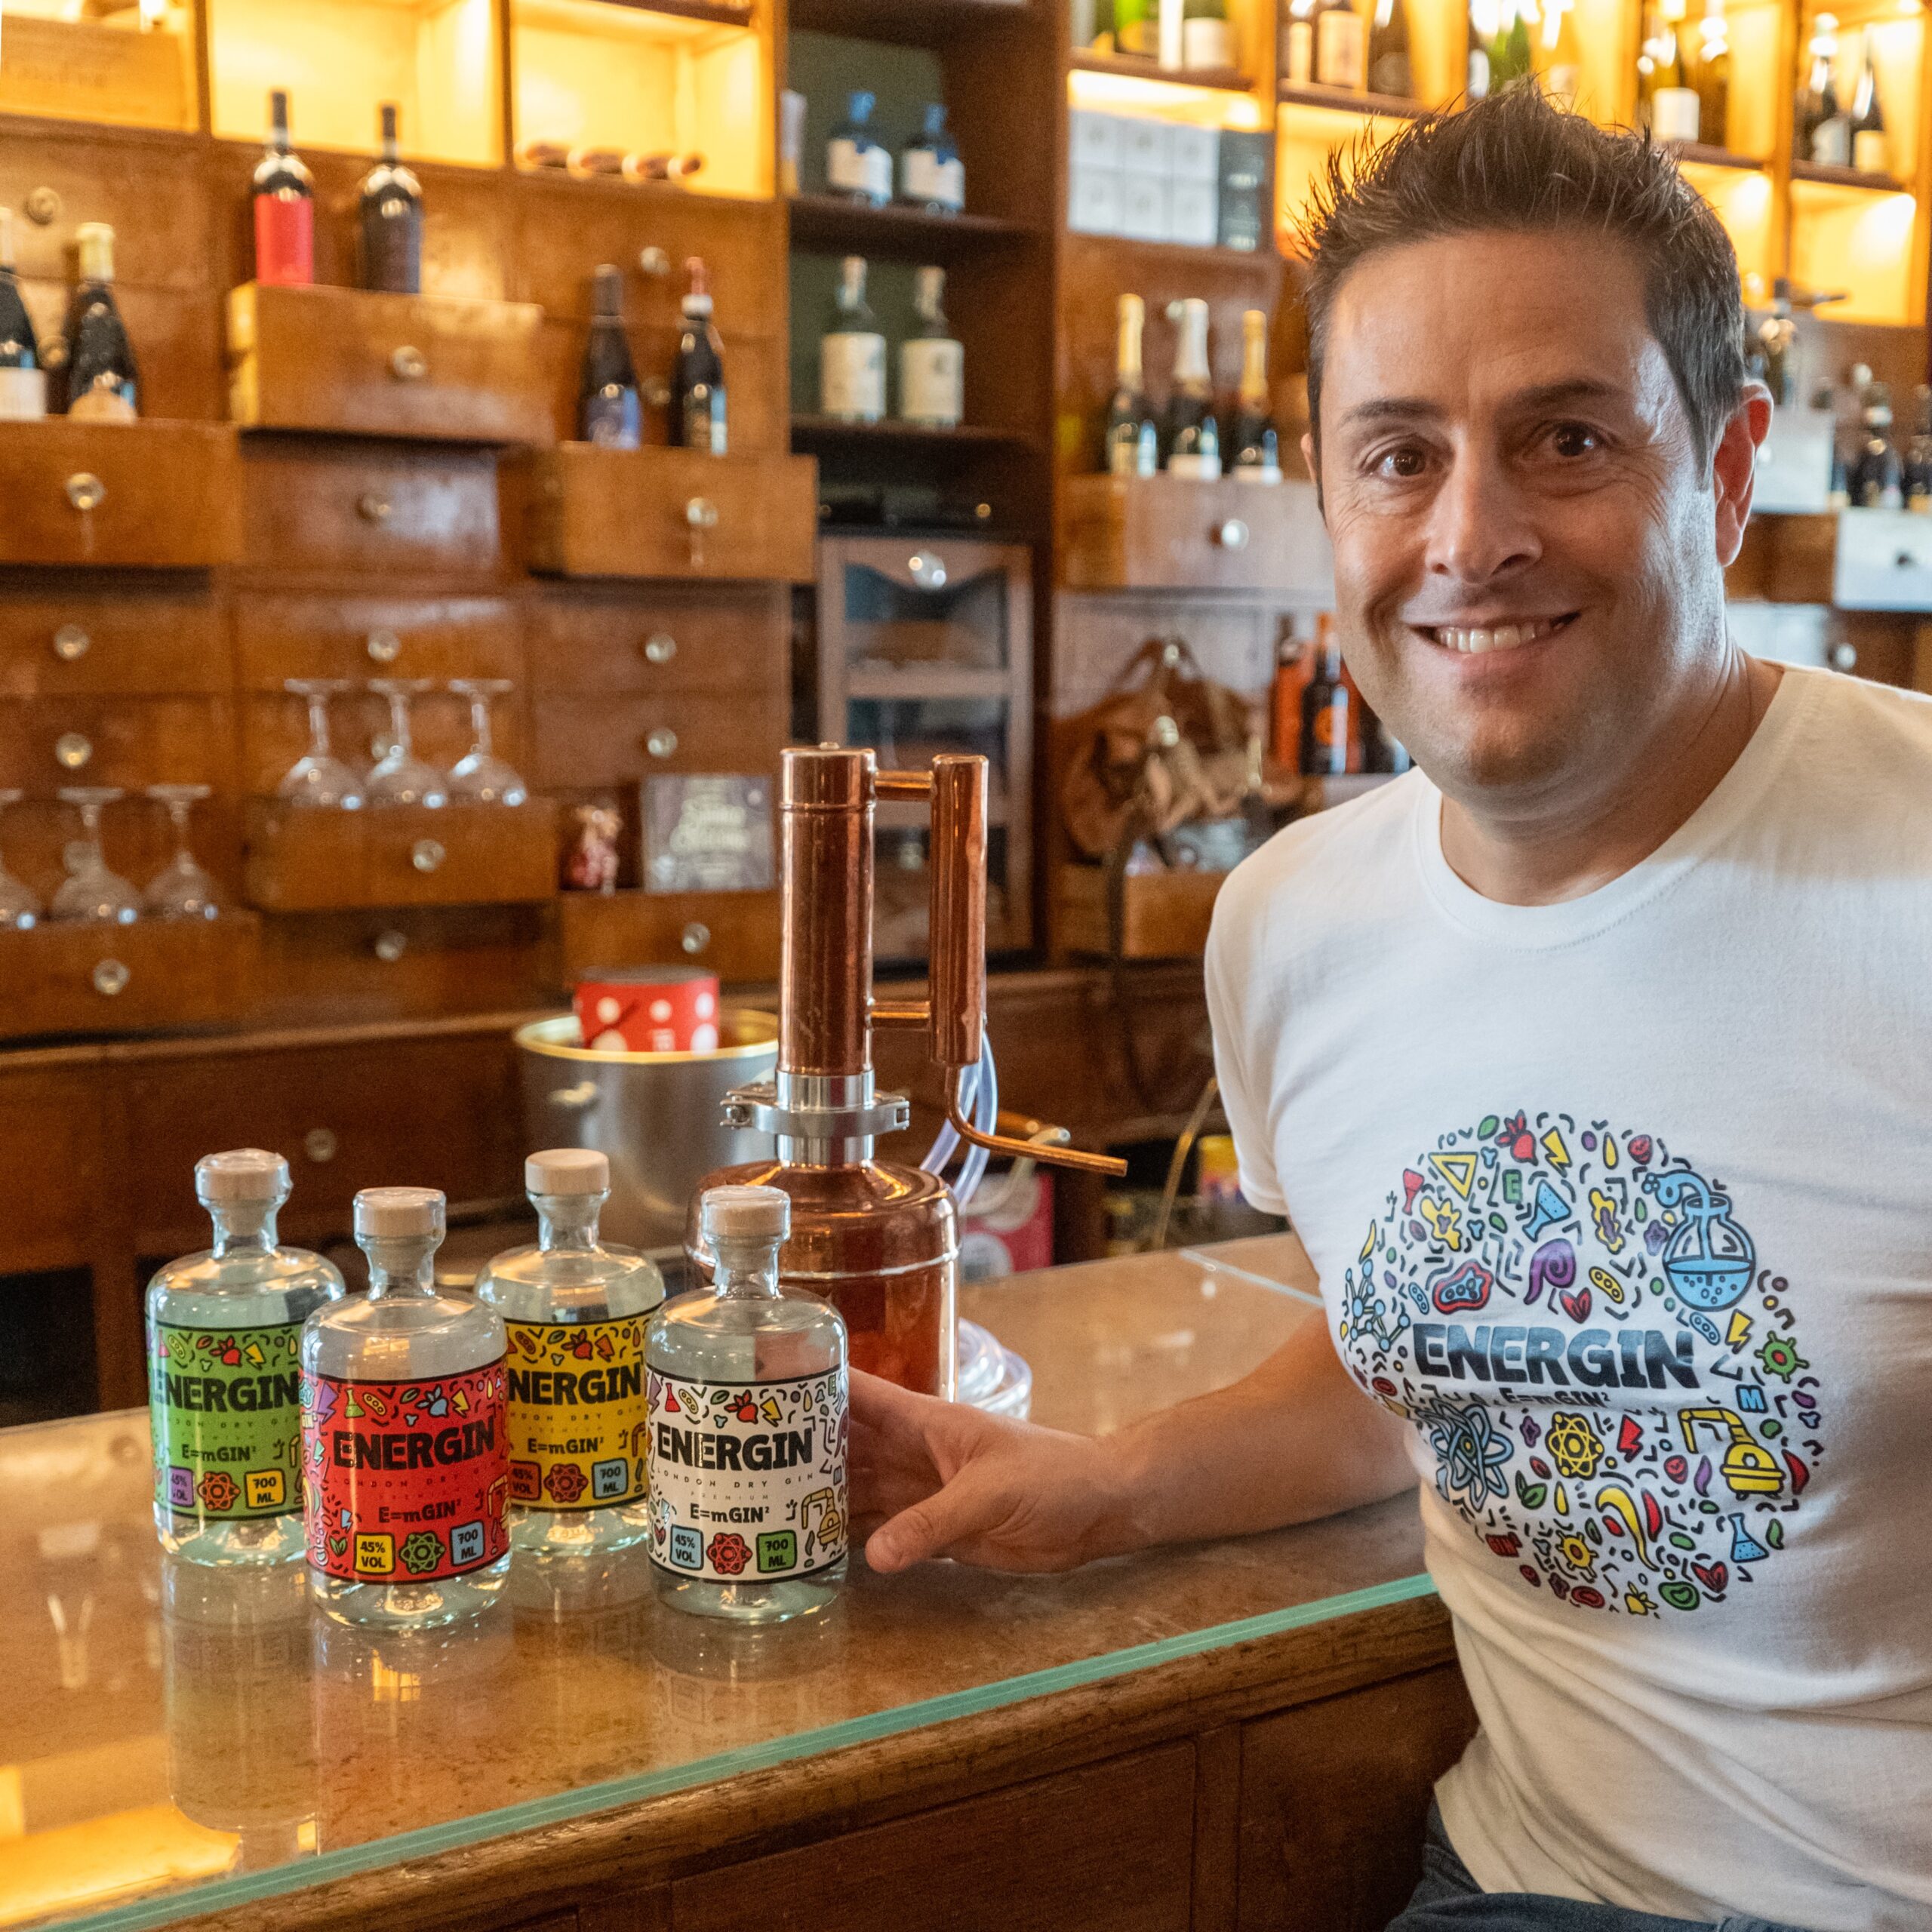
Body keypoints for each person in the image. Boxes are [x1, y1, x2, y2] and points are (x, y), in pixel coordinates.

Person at [851, 88, 1932, 1932]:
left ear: (1727, 467)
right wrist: (1105, 1487)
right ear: (1324, 489)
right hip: (1512, 1884)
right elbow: (1413, 1353)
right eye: (1397, 454)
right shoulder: (1289, 925)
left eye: (1565, 439)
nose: (1468, 536)